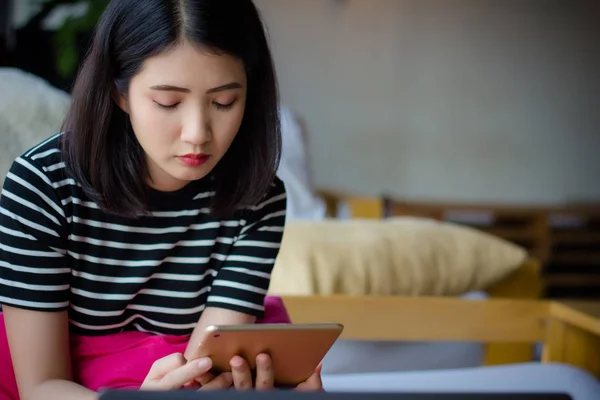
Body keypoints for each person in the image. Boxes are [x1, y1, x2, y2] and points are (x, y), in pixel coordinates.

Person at [0, 0, 323, 398]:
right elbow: (40, 385)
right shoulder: (41, 186)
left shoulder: (257, 196)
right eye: (168, 103)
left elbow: (206, 365)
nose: (197, 133)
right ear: (119, 92)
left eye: (224, 102)